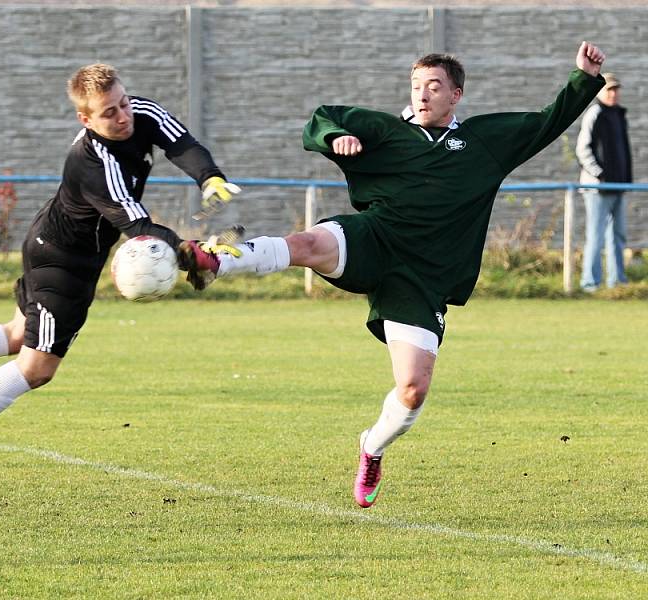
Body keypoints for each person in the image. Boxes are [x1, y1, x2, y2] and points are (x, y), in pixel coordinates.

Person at [207, 42, 607, 509]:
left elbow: (545, 121)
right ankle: (216, 261)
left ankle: (371, 448)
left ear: (456, 95)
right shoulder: (388, 132)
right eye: (417, 85)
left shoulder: (484, 143)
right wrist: (335, 136)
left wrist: (583, 78)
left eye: (434, 87)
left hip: (423, 278)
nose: (423, 94)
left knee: (413, 389)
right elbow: (323, 117)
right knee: (310, 244)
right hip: (376, 237)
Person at [0, 63, 240, 509]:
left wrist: (210, 176)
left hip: (54, 245)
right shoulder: (93, 162)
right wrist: (192, 254)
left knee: (15, 335)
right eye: (109, 112)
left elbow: (182, 142)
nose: (123, 116)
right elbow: (138, 225)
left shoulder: (140, 114)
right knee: (37, 368)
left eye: (124, 103)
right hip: (63, 265)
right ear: (85, 120)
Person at [576, 72, 632, 292]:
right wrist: (599, 174)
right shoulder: (595, 113)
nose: (613, 93)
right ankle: (590, 283)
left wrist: (624, 178)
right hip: (597, 188)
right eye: (609, 89)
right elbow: (583, 149)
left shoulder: (619, 115)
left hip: (618, 186)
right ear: (600, 91)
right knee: (596, 236)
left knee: (618, 235)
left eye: (616, 89)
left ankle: (617, 281)